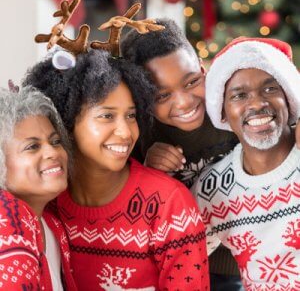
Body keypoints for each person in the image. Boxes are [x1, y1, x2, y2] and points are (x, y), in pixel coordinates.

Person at [23, 48, 209, 290]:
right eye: (107, 116)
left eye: (131, 116)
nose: (125, 132)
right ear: (65, 122)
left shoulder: (168, 204)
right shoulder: (47, 203)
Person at [121, 18, 242, 290]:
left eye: (191, 82)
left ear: (203, 70)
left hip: (235, 264)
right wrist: (149, 170)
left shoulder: (229, 110)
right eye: (162, 96)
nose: (184, 102)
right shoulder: (141, 134)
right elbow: (130, 205)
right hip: (174, 269)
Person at [193, 37, 300, 289]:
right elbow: (183, 259)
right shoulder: (212, 189)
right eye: (239, 95)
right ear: (222, 112)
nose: (257, 103)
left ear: (289, 97)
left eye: (270, 89)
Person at [0, 86, 76, 290]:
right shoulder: (6, 223)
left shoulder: (52, 224)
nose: (53, 152)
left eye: (56, 141)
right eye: (32, 146)